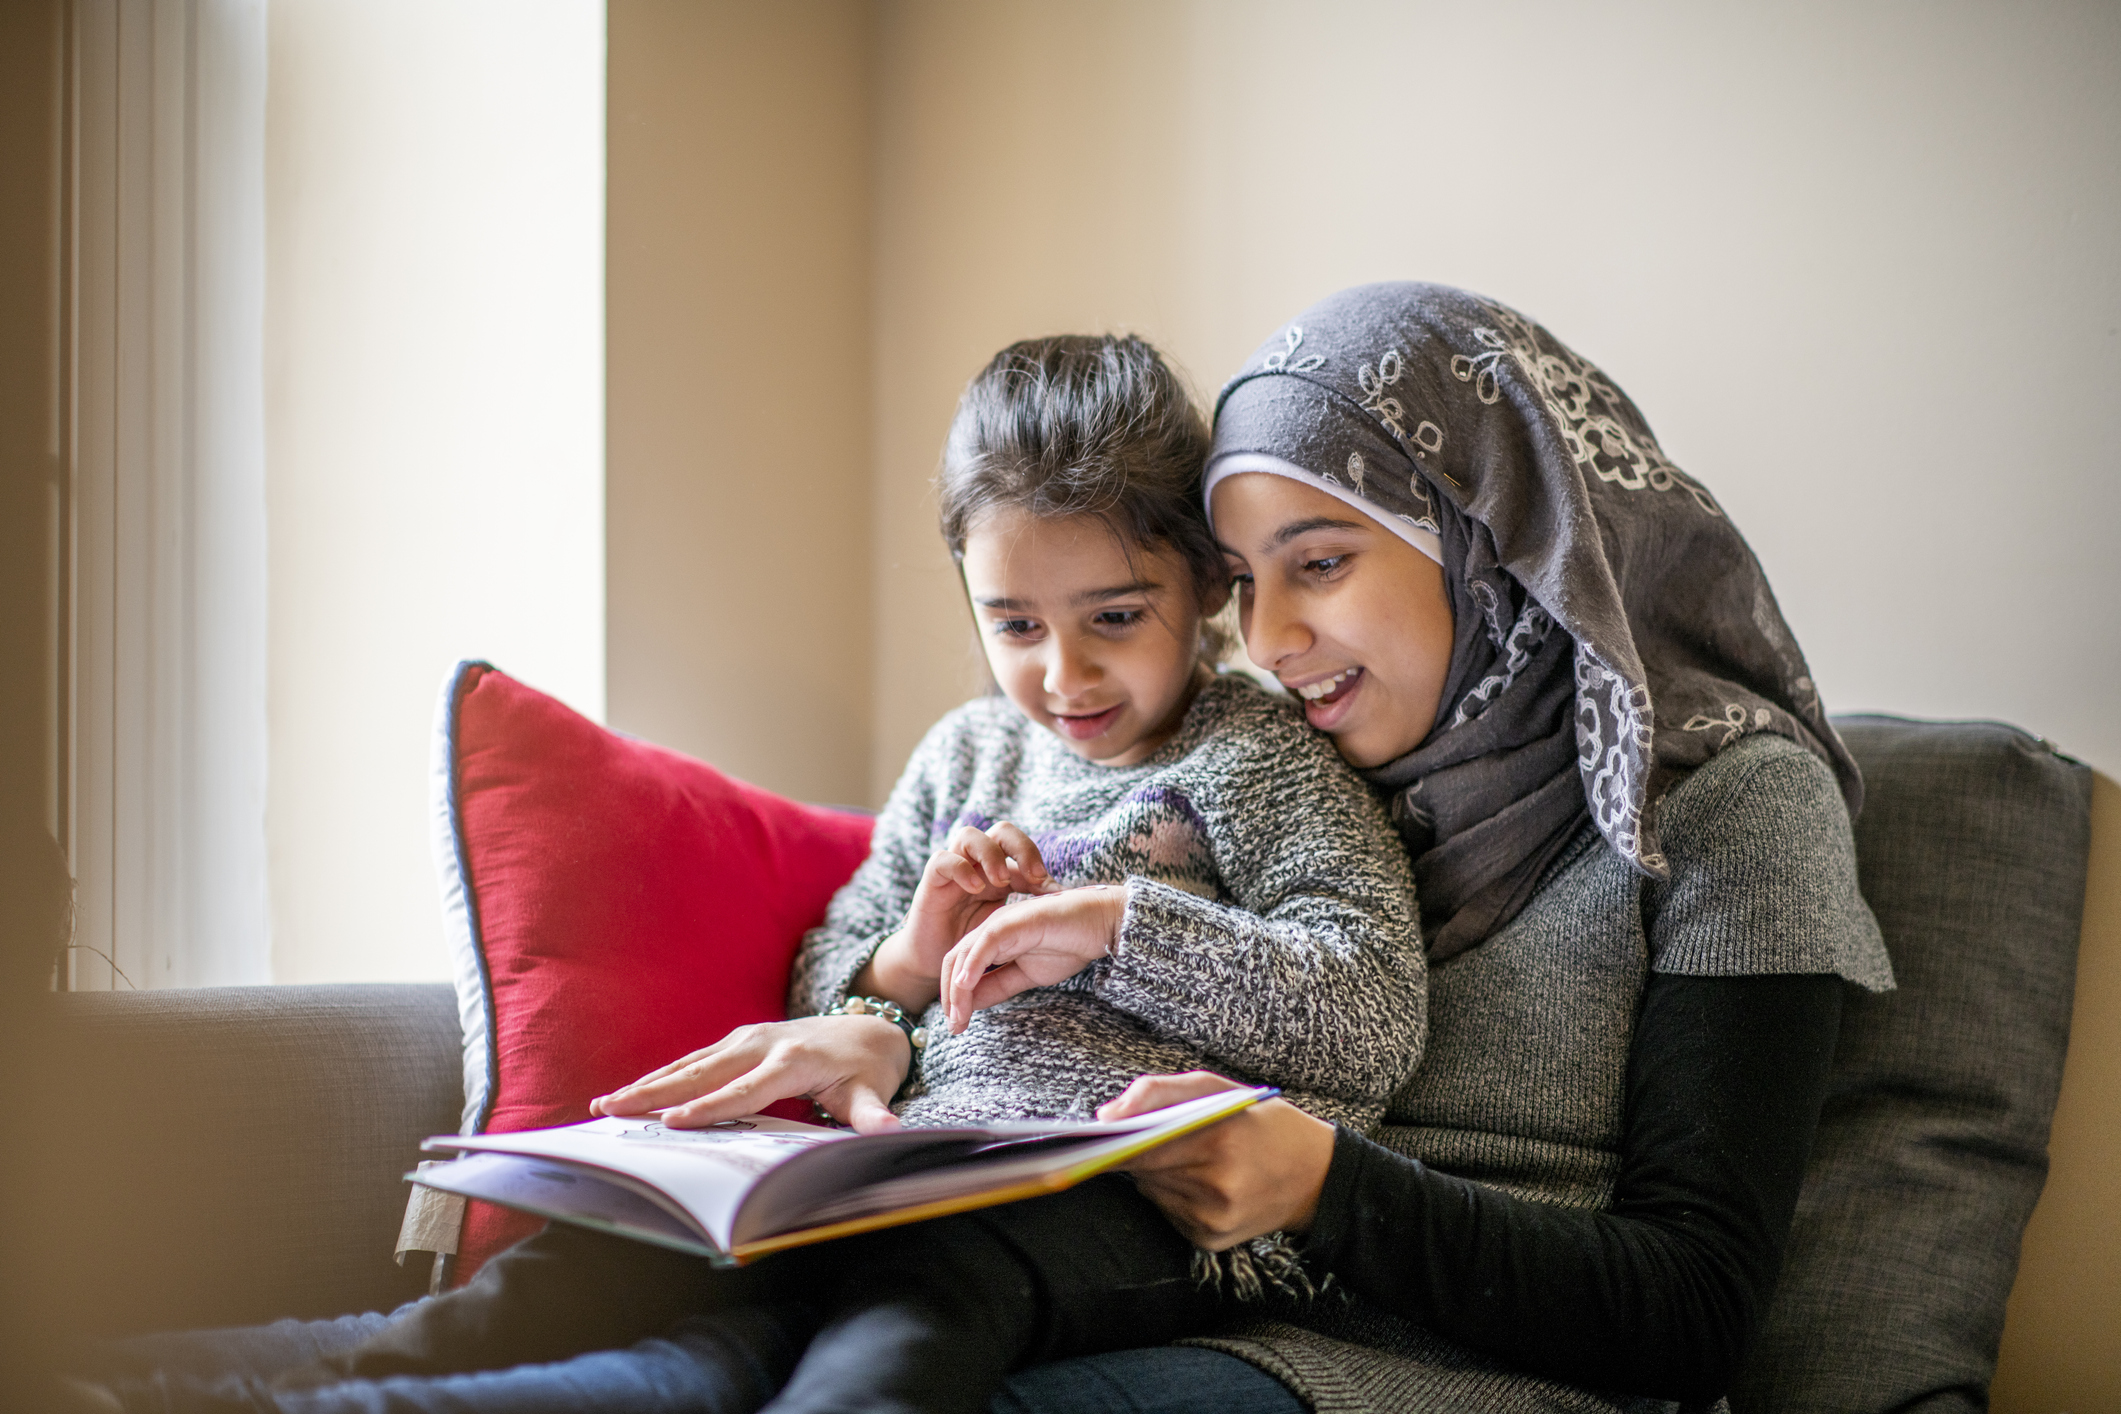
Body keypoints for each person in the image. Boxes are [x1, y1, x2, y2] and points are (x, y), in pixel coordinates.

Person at [70, 334, 1425, 1414]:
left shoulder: (1263, 759)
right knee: (572, 1275)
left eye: (1114, 619)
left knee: (898, 1332)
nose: (1061, 674)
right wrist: (907, 957)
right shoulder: (965, 756)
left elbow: (1371, 1009)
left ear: (1205, 586)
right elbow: (829, 969)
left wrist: (1120, 926)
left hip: (1118, 1204)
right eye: (1013, 623)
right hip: (890, 1169)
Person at [602, 283, 1895, 1414]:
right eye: (1245, 581)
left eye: (1318, 564)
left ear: (1490, 537)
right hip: (1191, 1304)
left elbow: (1694, 1313)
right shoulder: (1349, 752)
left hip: (1451, 1373)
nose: (1268, 641)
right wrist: (890, 1013)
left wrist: (1327, 1188)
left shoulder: (1728, 803)